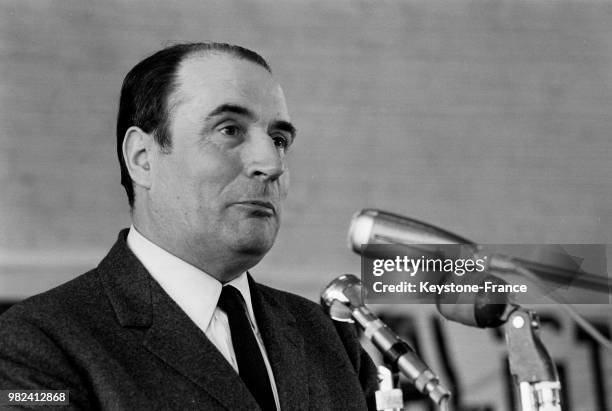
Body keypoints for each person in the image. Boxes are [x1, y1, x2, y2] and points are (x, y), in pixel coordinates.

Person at [0, 43, 377, 410]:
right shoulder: (38, 344)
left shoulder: (330, 339)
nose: (271, 164)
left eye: (278, 139)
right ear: (142, 158)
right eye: (229, 130)